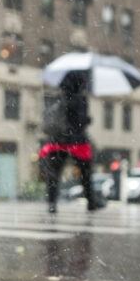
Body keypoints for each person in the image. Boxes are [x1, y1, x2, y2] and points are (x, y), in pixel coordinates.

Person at [39, 71, 103, 214]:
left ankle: (51, 203)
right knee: (85, 173)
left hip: (57, 141)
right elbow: (82, 122)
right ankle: (91, 201)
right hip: (76, 142)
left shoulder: (58, 98)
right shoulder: (81, 99)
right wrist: (87, 119)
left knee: (54, 174)